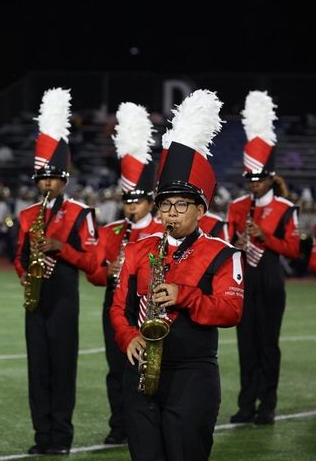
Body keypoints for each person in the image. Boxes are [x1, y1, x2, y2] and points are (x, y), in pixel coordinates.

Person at [110, 89, 244, 461]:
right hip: (139, 371)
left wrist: (183, 294)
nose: (171, 213)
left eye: (181, 205)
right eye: (165, 204)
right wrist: (127, 339)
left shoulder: (221, 253)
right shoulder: (139, 249)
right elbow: (119, 309)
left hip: (192, 374)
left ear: (200, 209)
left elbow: (231, 312)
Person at [13, 88, 98, 455]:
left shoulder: (80, 213)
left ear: (63, 180)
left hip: (64, 297)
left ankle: (60, 438)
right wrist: (26, 274)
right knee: (38, 371)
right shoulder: (28, 215)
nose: (46, 184)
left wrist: (62, 248)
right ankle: (41, 436)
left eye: (52, 178)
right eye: (42, 178)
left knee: (62, 370)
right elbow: (17, 256)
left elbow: (93, 261)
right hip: (37, 297)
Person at [86, 102, 162, 445]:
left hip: (151, 306)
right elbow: (92, 273)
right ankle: (120, 425)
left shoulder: (162, 232)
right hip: (113, 304)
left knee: (152, 363)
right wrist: (107, 269)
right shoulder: (110, 231)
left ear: (151, 200)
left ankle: (150, 421)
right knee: (116, 366)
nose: (131, 206)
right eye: (127, 200)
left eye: (138, 200)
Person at [227, 91, 300, 426]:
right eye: (250, 179)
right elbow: (226, 244)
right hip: (245, 278)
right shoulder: (237, 207)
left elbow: (294, 250)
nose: (254, 185)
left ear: (271, 176)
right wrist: (237, 242)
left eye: (259, 178)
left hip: (270, 278)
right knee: (246, 344)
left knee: (268, 344)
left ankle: (266, 404)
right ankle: (246, 404)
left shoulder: (286, 209)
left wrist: (263, 237)